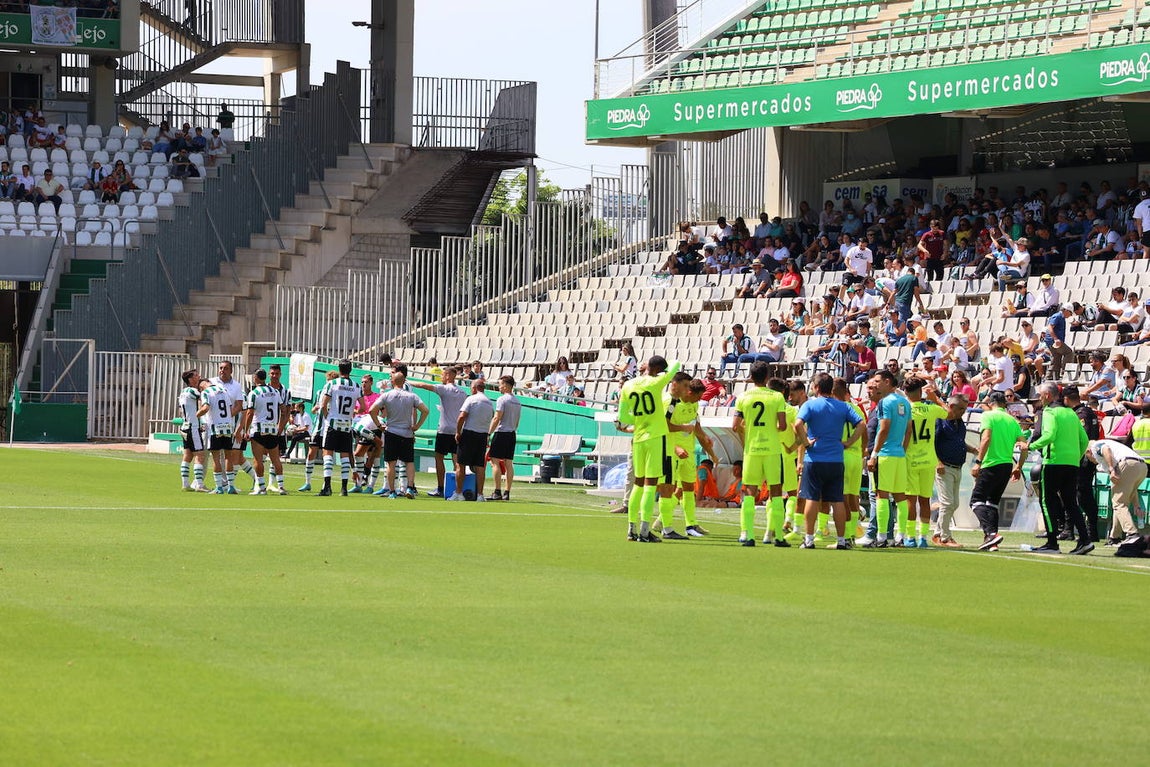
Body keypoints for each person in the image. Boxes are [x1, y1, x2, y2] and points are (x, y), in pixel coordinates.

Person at [793, 373, 864, 549]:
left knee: (812, 498)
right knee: (837, 500)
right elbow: (861, 425)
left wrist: (806, 442)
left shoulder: (810, 405)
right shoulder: (843, 407)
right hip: (836, 459)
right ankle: (841, 540)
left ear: (816, 388)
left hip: (815, 458)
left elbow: (797, 424)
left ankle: (808, 539)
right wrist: (848, 442)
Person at [617, 356, 681, 542]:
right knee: (650, 484)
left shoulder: (628, 385)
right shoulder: (656, 382)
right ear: (659, 369)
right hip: (655, 437)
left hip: (638, 438)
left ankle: (631, 528)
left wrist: (638, 419)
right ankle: (645, 531)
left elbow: (622, 417)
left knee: (638, 482)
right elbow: (676, 367)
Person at [1027, 382, 1092, 555]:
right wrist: (1075, 457)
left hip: (1053, 462)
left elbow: (1049, 435)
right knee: (1071, 503)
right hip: (1071, 464)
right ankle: (1085, 540)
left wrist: (1030, 446)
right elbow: (1084, 440)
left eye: (1041, 394)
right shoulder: (1070, 412)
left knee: (1046, 501)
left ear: (1047, 395)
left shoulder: (1049, 412)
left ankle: (1052, 542)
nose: (1040, 398)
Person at [732, 362, 788, 547]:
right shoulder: (777, 396)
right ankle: (778, 536)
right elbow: (782, 425)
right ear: (767, 377)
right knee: (776, 491)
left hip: (752, 450)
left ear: (751, 377)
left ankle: (747, 534)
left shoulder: (743, 397)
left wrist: (749, 429)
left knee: (749, 491)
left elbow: (735, 425)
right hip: (772, 449)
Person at [657, 373, 717, 538]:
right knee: (668, 489)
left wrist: (704, 437)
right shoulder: (671, 403)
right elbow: (662, 427)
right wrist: (675, 448)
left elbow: (695, 425)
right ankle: (663, 526)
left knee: (688, 489)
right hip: (672, 452)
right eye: (698, 396)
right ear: (689, 392)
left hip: (688, 452)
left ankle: (690, 525)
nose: (700, 400)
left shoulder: (694, 406)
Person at [969, 391, 1029, 551]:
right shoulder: (1012, 420)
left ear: (991, 403)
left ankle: (991, 534)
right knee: (992, 503)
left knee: (975, 501)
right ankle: (992, 542)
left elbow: (986, 438)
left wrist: (978, 462)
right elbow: (1024, 446)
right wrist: (1019, 467)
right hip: (1007, 465)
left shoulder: (988, 416)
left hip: (990, 463)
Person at [865, 369, 911, 547]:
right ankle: (900, 536)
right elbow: (908, 430)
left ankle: (882, 537)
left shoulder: (885, 402)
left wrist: (874, 454)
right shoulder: (904, 402)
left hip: (885, 454)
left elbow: (883, 428)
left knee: (881, 495)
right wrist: (902, 450)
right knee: (900, 497)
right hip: (899, 455)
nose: (875, 384)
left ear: (887, 382)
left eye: (877, 381)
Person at [903, 375, 948, 548]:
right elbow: (949, 413)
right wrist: (935, 399)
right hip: (928, 460)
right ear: (920, 392)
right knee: (924, 500)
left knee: (910, 500)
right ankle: (922, 537)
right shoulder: (931, 409)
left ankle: (910, 536)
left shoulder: (905, 410)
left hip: (910, 459)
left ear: (906, 393)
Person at [411, 365, 468, 498]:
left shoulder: (443, 389)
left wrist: (408, 382)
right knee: (457, 460)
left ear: (448, 376)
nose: (441, 377)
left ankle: (441, 488)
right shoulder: (463, 393)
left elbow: (423, 385)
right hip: (457, 430)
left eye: (443, 375)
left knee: (439, 458)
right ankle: (457, 489)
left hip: (444, 430)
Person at [370, 371, 429, 499]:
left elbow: (372, 410)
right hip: (407, 433)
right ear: (404, 382)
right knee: (409, 462)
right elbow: (425, 410)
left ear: (392, 382)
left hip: (391, 432)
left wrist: (379, 425)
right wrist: (417, 426)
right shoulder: (411, 396)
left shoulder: (387, 395)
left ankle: (392, 491)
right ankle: (409, 487)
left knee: (391, 463)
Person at [932, 393, 977, 547]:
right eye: (961, 409)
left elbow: (959, 442)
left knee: (954, 503)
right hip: (945, 467)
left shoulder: (959, 422)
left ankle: (938, 533)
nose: (963, 412)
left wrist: (972, 449)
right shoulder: (941, 421)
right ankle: (945, 537)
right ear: (951, 407)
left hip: (957, 467)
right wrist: (938, 462)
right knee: (947, 502)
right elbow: (932, 442)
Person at [1086, 439, 1148, 546]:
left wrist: (1112, 469)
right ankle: (1114, 537)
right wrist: (1137, 506)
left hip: (1126, 463)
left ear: (1088, 452)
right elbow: (1132, 490)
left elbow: (1105, 449)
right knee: (1120, 502)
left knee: (1118, 503)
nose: (1092, 461)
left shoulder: (1095, 446)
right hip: (1142, 466)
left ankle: (1132, 534)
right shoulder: (1115, 450)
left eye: (1089, 459)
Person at [316, 359, 363, 497]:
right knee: (344, 455)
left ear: (339, 369)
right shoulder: (356, 385)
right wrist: (351, 414)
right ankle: (344, 489)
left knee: (328, 454)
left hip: (333, 423)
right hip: (347, 424)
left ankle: (328, 487)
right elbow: (363, 407)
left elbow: (323, 405)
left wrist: (327, 417)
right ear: (351, 370)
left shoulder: (332, 384)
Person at [239, 368, 288, 495]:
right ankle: (281, 487)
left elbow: (250, 413)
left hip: (259, 429)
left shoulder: (254, 393)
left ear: (255, 378)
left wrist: (246, 430)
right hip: (272, 429)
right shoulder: (274, 391)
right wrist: (278, 425)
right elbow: (283, 409)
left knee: (258, 459)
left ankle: (261, 487)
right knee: (275, 459)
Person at [210, 360, 254, 493]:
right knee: (233, 457)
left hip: (234, 428)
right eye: (221, 368)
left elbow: (243, 410)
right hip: (215, 427)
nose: (222, 370)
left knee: (233, 457)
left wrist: (240, 429)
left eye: (225, 368)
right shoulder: (212, 383)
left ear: (231, 371)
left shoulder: (238, 388)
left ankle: (229, 485)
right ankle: (228, 484)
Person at [456, 379, 494, 502]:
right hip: (482, 435)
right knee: (479, 466)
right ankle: (480, 495)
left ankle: (459, 493)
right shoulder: (489, 402)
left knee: (460, 464)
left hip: (469, 434)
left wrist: (458, 431)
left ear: (474, 388)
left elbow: (462, 416)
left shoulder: (471, 399)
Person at [197, 378, 238, 494]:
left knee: (216, 458)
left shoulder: (206, 393)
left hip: (215, 429)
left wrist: (196, 415)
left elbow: (205, 408)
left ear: (201, 387)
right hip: (227, 427)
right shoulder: (223, 391)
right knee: (228, 457)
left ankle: (219, 487)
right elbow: (230, 410)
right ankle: (231, 486)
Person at [488, 375, 522, 501]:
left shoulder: (502, 399)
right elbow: (517, 422)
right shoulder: (517, 401)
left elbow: (497, 417)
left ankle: (497, 491)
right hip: (512, 433)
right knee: (509, 463)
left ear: (506, 386)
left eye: (501, 384)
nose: (499, 386)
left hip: (501, 432)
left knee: (494, 461)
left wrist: (488, 433)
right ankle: (507, 492)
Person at [176, 368, 207, 492]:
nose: (199, 377)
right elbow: (204, 397)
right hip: (193, 428)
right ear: (190, 379)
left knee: (187, 455)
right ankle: (199, 484)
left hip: (184, 426)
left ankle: (185, 483)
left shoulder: (183, 392)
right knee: (199, 454)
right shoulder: (193, 391)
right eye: (196, 375)